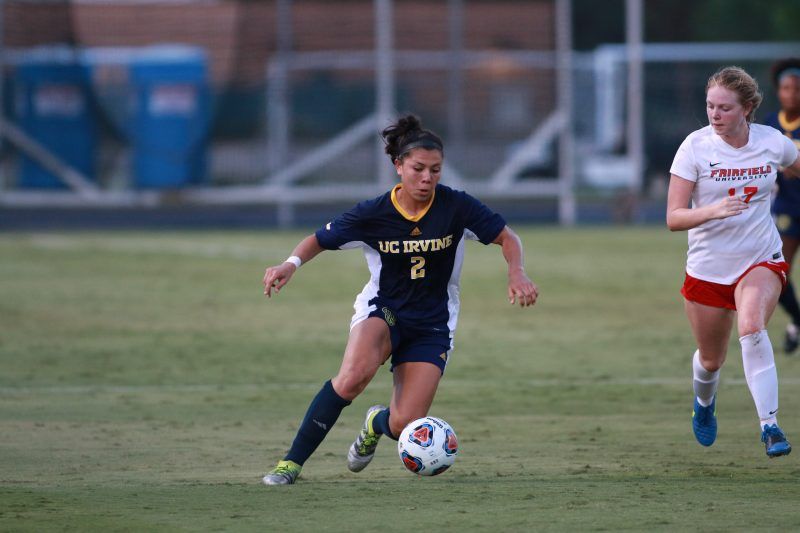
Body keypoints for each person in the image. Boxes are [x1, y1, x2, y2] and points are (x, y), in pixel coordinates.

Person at [260, 115, 539, 485]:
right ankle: (290, 464)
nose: (427, 178)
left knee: (405, 423)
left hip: (433, 321)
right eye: (418, 169)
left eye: (435, 170)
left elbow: (507, 237)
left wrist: (516, 271)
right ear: (398, 167)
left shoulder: (456, 207)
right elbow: (319, 239)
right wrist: (290, 263)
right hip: (384, 309)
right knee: (352, 377)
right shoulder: (374, 212)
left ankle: (375, 423)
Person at [667, 66, 800, 458]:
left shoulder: (771, 142)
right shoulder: (695, 147)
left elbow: (794, 163)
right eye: (710, 106)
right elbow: (674, 217)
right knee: (711, 360)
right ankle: (704, 404)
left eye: (724, 108)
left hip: (760, 257)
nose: (715, 114)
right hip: (708, 267)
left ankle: (769, 426)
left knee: (752, 325)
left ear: (747, 108)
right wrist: (712, 211)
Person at [764, 58, 800, 354]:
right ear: (779, 91)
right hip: (788, 210)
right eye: (786, 88)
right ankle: (798, 320)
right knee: (779, 274)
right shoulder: (769, 127)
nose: (792, 93)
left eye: (797, 88)